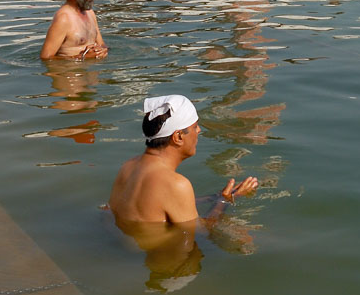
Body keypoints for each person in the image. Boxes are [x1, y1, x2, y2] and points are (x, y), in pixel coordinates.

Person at [108, 94, 258, 227]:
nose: (199, 131)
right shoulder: (176, 184)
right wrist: (227, 201)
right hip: (160, 255)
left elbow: (153, 205)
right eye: (195, 127)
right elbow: (202, 231)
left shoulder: (129, 166)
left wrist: (215, 197)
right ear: (178, 137)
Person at [41, 0, 108, 60]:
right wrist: (82, 57)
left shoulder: (90, 13)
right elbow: (45, 57)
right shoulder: (64, 19)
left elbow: (101, 44)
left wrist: (102, 50)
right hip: (69, 72)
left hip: (91, 72)